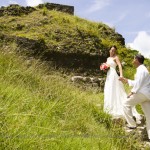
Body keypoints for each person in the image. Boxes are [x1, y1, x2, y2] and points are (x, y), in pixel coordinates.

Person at [103, 45, 141, 120]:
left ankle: (122, 108)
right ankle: (109, 108)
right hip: (109, 75)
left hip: (113, 74)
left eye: (114, 50)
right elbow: (107, 67)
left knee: (115, 89)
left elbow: (120, 66)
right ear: (109, 50)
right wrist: (104, 68)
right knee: (109, 89)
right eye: (112, 50)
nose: (113, 51)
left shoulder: (116, 57)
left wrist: (121, 75)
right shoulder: (108, 58)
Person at [119, 54, 150, 141]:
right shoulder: (144, 69)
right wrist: (127, 80)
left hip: (142, 93)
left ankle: (132, 124)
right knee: (149, 116)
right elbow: (138, 82)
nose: (133, 60)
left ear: (136, 60)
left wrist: (132, 92)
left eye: (133, 59)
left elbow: (138, 83)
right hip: (147, 95)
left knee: (125, 104)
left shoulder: (141, 70)